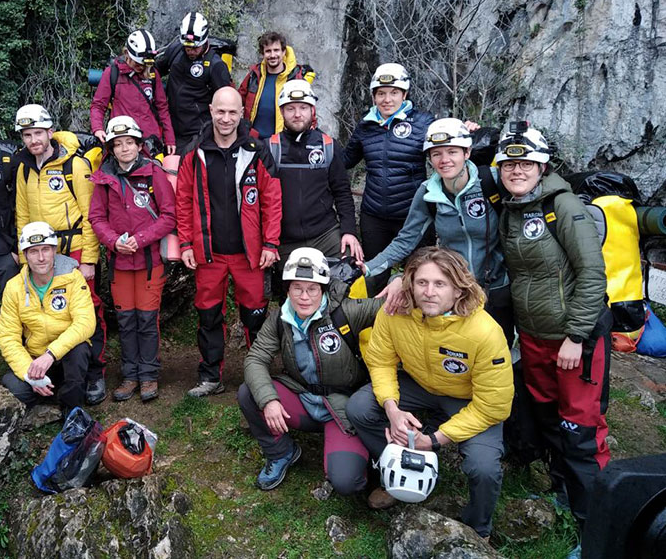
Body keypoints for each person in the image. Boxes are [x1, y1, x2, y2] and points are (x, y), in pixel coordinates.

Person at [495, 123, 610, 557]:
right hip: (536, 336)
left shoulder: (564, 207)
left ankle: (595, 527)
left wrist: (576, 336)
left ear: (542, 166)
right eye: (509, 164)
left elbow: (592, 274)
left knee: (580, 429)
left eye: (525, 163)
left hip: (572, 339)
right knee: (548, 420)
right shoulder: (512, 209)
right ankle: (563, 496)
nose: (516, 170)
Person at [347, 247, 513, 538]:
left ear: (459, 290)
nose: (429, 292)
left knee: (483, 467)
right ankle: (398, 471)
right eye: (422, 283)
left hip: (469, 399)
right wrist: (392, 409)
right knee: (360, 407)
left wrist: (435, 440)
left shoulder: (485, 332)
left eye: (440, 284)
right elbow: (381, 360)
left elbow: (494, 406)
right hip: (420, 385)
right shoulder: (395, 311)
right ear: (410, 283)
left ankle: (478, 530)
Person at [238, 248, 380, 492]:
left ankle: (364, 458)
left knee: (347, 482)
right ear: (288, 290)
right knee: (249, 393)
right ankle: (281, 452)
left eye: (312, 289)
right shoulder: (279, 319)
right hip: (302, 399)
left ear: (323, 289)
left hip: (342, 407)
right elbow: (255, 358)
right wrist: (269, 400)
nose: (304, 297)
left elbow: (390, 308)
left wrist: (401, 283)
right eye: (297, 288)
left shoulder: (345, 312)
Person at [361, 118, 513, 344]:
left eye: (452, 152)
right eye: (436, 154)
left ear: (467, 152)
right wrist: (366, 268)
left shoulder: (491, 181)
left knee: (499, 352)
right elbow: (405, 240)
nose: (444, 160)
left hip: (498, 286)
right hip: (456, 290)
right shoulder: (428, 193)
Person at [175, 86, 282, 397]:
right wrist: (185, 244)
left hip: (249, 254)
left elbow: (272, 200)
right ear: (211, 111)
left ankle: (258, 377)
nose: (226, 118)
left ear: (241, 114)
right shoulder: (194, 151)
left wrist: (271, 244)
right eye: (220, 111)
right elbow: (182, 200)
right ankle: (210, 376)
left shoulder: (256, 149)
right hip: (208, 253)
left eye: (232, 112)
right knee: (208, 315)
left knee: (255, 316)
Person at [13, 104, 107, 406]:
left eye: (38, 133)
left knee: (88, 308)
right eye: (27, 135)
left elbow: (90, 212)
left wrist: (90, 258)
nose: (33, 140)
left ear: (50, 132)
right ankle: (55, 367)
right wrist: (24, 256)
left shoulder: (74, 166)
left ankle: (95, 371)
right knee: (50, 309)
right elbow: (22, 215)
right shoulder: (24, 168)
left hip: (74, 244)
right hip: (39, 248)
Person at [89, 116, 176, 402]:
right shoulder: (104, 177)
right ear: (111, 147)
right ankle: (129, 375)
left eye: (130, 142)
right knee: (126, 321)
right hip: (120, 263)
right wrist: (114, 241)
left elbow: (168, 216)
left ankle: (149, 375)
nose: (125, 148)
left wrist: (140, 239)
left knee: (147, 320)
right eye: (118, 143)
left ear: (139, 144)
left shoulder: (154, 174)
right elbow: (96, 217)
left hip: (150, 260)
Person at [342, 63, 435, 295]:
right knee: (374, 273)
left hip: (413, 215)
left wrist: (471, 132)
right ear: (373, 96)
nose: (387, 99)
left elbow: (449, 154)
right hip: (374, 216)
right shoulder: (366, 126)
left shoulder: (424, 123)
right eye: (381, 93)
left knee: (418, 274)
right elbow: (344, 161)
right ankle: (375, 325)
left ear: (404, 94)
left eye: (394, 92)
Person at [0, 221, 96, 414]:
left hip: (65, 355)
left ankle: (71, 411)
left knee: (80, 350)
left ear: (54, 251)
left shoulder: (73, 278)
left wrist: (50, 354)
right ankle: (46, 391)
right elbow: (7, 337)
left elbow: (86, 322)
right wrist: (29, 373)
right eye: (33, 251)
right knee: (11, 386)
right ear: (25, 255)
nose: (41, 258)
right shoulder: (14, 287)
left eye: (46, 250)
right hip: (35, 359)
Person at [268, 79, 361, 266]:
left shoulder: (328, 146)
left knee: (351, 266)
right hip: (285, 240)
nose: (297, 114)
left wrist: (349, 231)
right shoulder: (270, 147)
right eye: (290, 109)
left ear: (312, 110)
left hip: (324, 235)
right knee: (298, 291)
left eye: (303, 107)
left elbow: (342, 192)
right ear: (281, 112)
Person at [155, 11, 234, 151]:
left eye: (195, 48)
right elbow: (154, 72)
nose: (190, 51)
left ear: (204, 41)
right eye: (187, 47)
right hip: (172, 128)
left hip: (198, 132)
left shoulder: (216, 65)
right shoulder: (176, 51)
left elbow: (226, 100)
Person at [90, 29, 176, 155]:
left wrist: (170, 139)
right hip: (123, 139)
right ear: (127, 54)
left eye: (144, 65)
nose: (141, 67)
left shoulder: (152, 74)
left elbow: (162, 108)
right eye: (138, 63)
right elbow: (98, 105)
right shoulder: (113, 73)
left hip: (150, 142)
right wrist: (97, 128)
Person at [238, 31, 315, 139]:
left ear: (284, 52)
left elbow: (309, 111)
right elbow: (238, 99)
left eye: (276, 50)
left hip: (283, 142)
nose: (273, 55)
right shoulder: (254, 75)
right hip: (254, 141)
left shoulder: (295, 77)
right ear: (263, 54)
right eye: (268, 51)